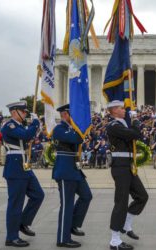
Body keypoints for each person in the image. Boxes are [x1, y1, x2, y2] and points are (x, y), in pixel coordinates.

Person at [106, 100, 149, 250]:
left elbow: (138, 137)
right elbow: (135, 134)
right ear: (114, 110)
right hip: (120, 167)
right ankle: (115, 240)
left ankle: (126, 223)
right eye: (122, 108)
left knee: (142, 196)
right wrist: (136, 122)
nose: (125, 110)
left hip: (129, 166)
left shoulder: (123, 124)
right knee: (121, 202)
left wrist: (134, 125)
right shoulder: (113, 126)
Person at [1, 101, 44, 247]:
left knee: (38, 195)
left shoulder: (19, 126)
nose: (25, 114)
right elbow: (26, 136)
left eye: (26, 112)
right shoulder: (9, 125)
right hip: (15, 166)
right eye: (23, 111)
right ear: (14, 112)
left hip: (24, 165)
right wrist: (35, 122)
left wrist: (34, 128)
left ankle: (23, 223)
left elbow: (28, 136)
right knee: (16, 203)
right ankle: (11, 237)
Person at [52, 104, 93, 248]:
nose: (75, 118)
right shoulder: (59, 129)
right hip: (64, 169)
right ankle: (63, 239)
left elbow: (81, 136)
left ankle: (73, 225)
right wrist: (82, 129)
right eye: (72, 114)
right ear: (64, 115)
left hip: (74, 169)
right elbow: (77, 139)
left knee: (86, 196)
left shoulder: (71, 128)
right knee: (67, 205)